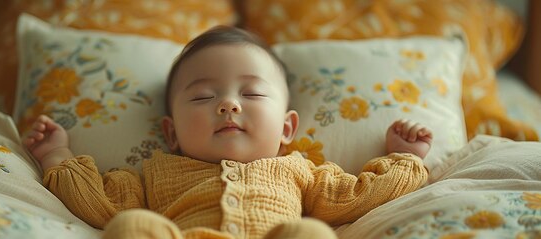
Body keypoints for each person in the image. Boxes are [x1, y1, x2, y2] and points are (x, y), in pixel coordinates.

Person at [23, 26, 432, 239]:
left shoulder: (298, 170)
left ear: (287, 127)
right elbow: (98, 202)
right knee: (131, 228)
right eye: (202, 97)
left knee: (307, 233)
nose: (228, 104)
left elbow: (358, 194)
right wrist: (55, 154)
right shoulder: (155, 174)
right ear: (172, 133)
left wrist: (406, 157)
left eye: (251, 92)